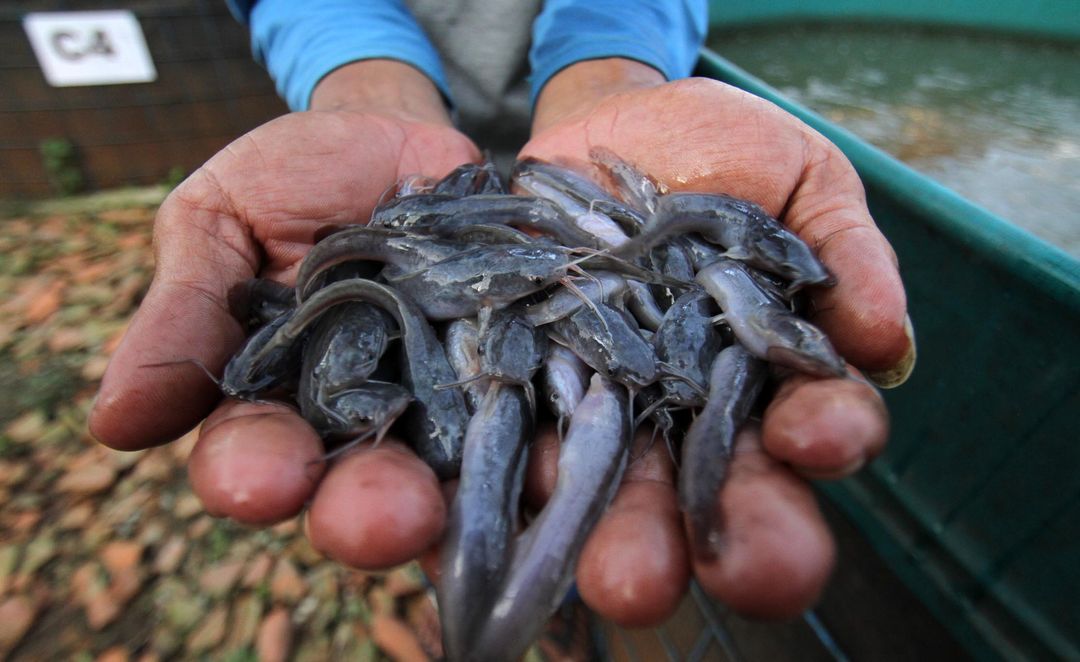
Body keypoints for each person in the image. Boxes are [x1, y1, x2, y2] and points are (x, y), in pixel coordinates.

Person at [89, 0, 914, 629]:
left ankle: (545, 619)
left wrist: (613, 70)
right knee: (463, 490)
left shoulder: (617, 246)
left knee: (582, 489)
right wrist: (357, 84)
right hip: (400, 151)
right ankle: (526, 621)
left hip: (604, 124)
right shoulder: (411, 270)